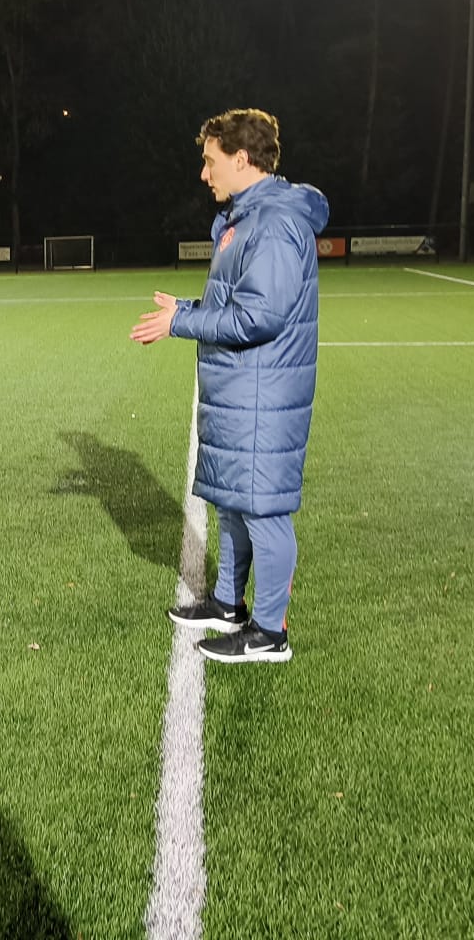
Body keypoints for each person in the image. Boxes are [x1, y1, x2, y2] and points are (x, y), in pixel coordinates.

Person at [130, 108, 327, 665]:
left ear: (242, 159)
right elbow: (236, 302)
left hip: (263, 393)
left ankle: (269, 633)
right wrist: (188, 308)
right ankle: (227, 604)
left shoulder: (274, 222)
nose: (203, 173)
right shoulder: (248, 218)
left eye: (210, 161)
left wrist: (180, 323)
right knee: (235, 501)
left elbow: (259, 317)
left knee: (263, 509)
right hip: (242, 389)